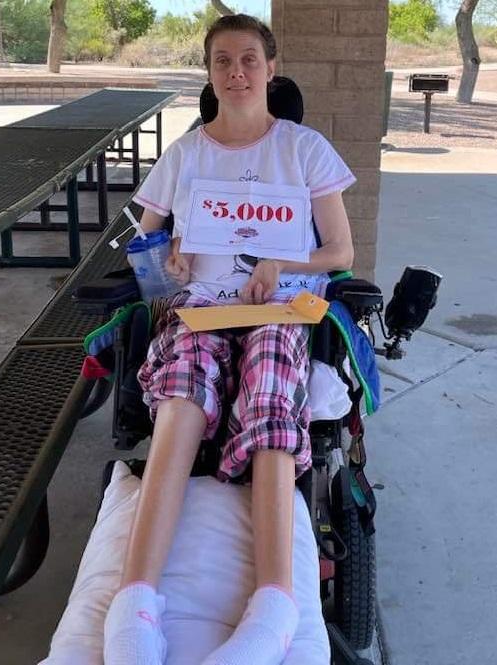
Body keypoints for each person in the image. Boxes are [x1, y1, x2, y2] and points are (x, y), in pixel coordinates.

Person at [103, 14, 356, 665]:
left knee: (271, 381)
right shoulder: (185, 154)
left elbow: (339, 249)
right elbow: (146, 251)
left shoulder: (302, 148)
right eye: (222, 61)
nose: (236, 72)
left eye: (249, 59)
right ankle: (135, 603)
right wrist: (170, 267)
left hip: (277, 305)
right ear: (209, 72)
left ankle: (272, 605)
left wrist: (286, 265)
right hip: (199, 310)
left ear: (271, 69)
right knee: (181, 391)